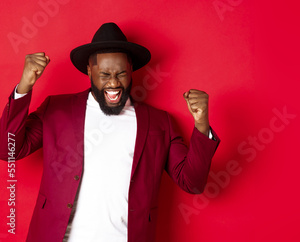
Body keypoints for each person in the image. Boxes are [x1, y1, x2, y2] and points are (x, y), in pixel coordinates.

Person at [0, 22, 220, 242]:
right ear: (89, 70)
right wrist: (24, 87)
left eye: (121, 73)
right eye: (104, 74)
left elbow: (192, 182)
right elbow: (8, 150)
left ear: (131, 69)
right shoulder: (56, 109)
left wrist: (201, 123)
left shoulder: (159, 123)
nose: (114, 83)